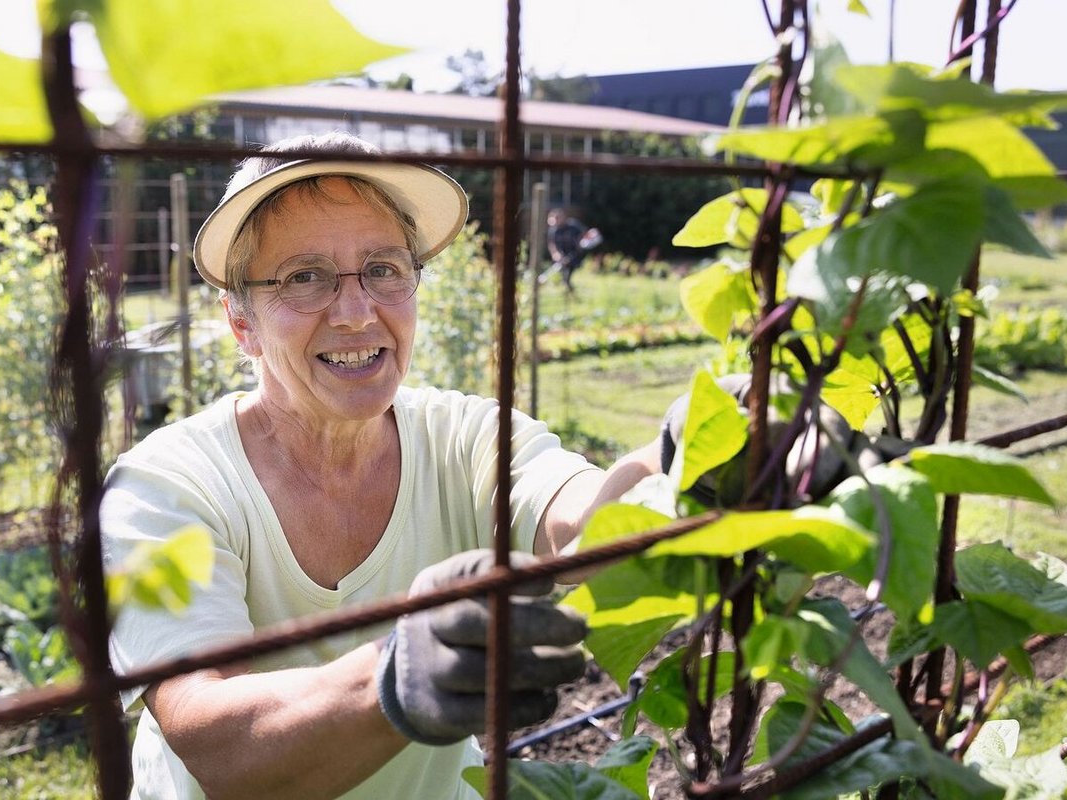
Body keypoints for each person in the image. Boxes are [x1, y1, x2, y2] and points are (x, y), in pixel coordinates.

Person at [101, 132, 665, 800]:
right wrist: (395, 676)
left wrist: (683, 467)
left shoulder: (464, 436)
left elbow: (582, 521)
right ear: (241, 322)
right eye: (303, 277)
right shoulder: (164, 485)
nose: (356, 312)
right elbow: (216, 744)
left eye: (384, 269)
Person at [545, 207, 590, 296]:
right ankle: (570, 294)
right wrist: (555, 254)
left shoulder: (573, 226)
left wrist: (581, 243)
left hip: (575, 255)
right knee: (563, 277)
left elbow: (586, 235)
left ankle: (572, 293)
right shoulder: (553, 230)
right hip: (563, 257)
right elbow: (551, 244)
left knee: (568, 276)